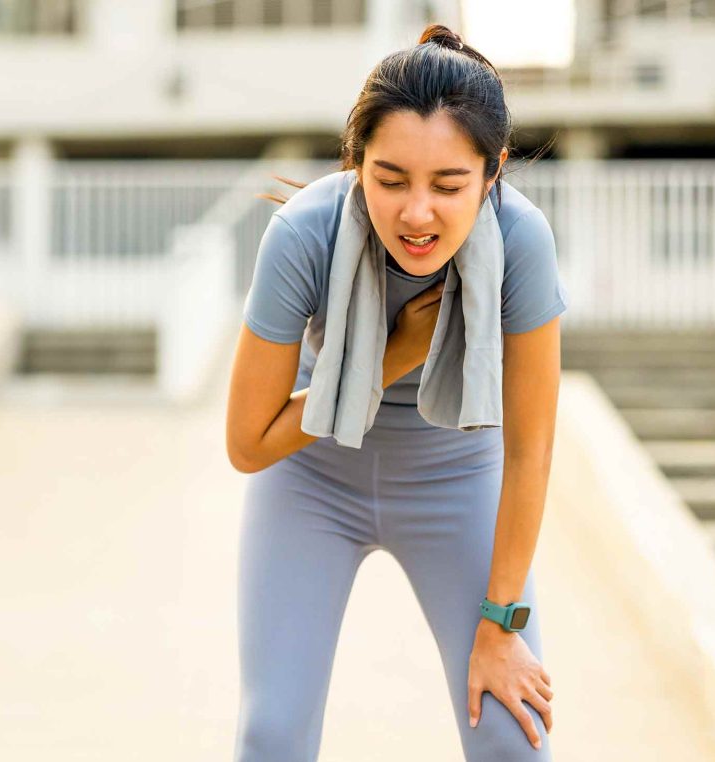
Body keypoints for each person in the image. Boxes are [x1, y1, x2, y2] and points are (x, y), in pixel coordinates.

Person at [224, 24, 568, 761]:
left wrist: (501, 625)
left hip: (459, 476)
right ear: (355, 164)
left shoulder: (523, 243)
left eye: (448, 185)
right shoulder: (303, 235)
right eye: (389, 180)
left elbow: (532, 449)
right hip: (311, 478)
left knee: (515, 739)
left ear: (493, 170)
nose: (417, 213)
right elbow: (248, 445)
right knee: (271, 735)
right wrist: (391, 355)